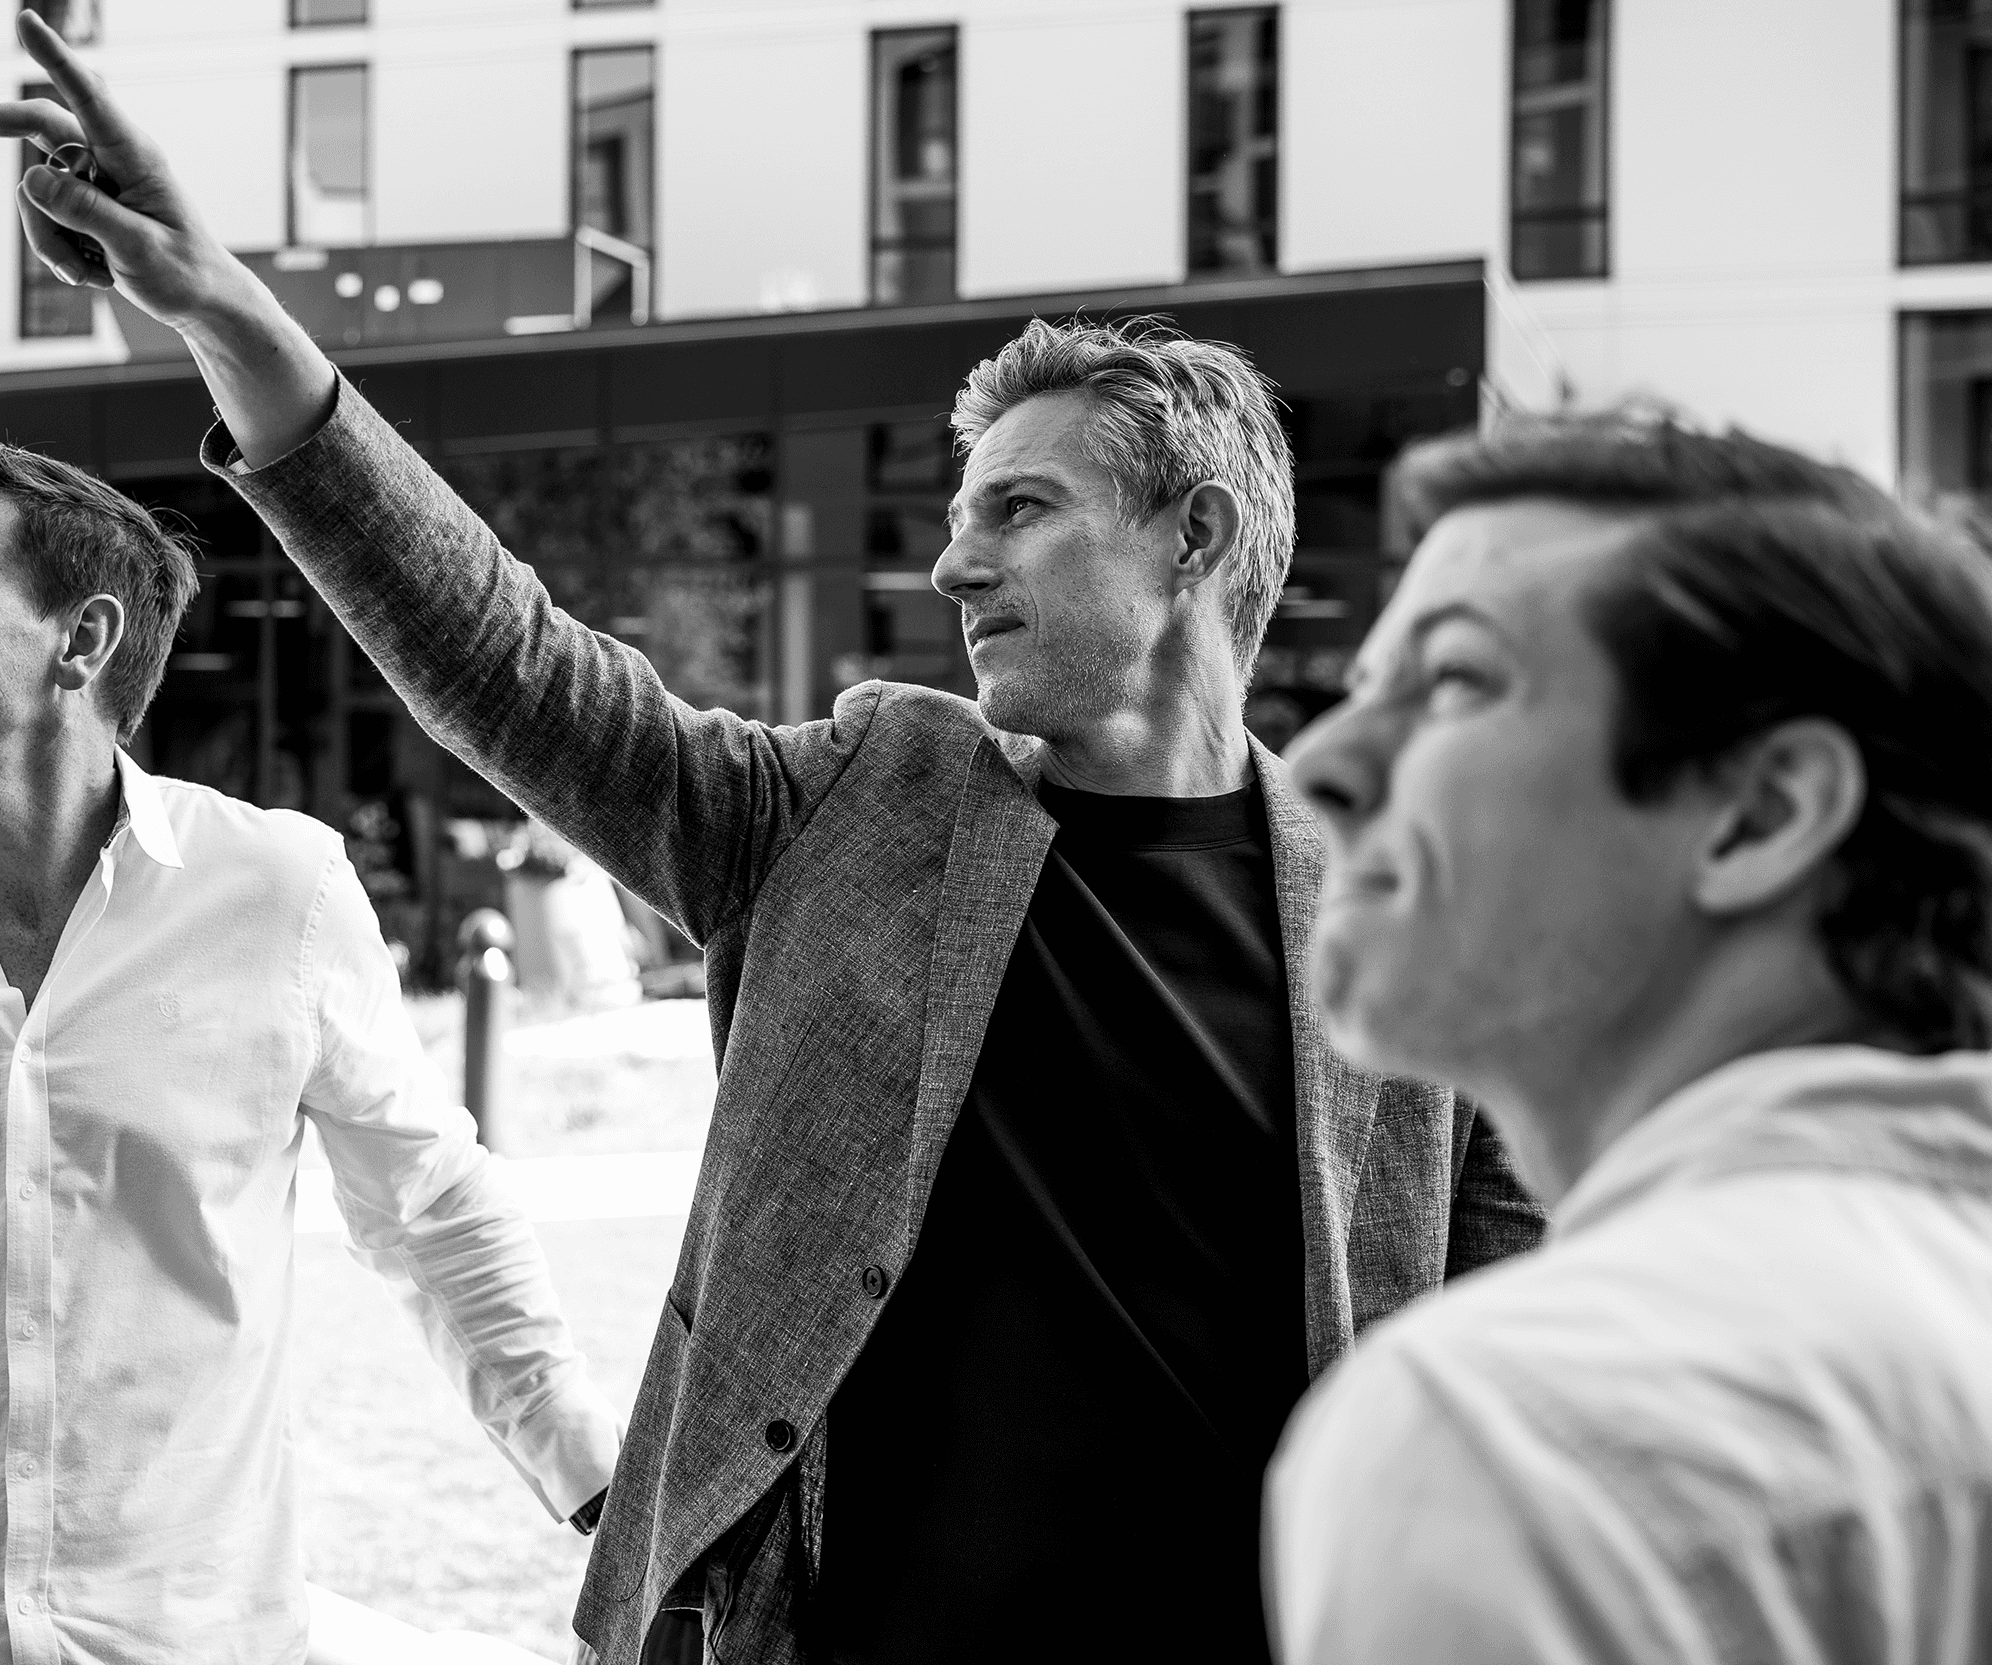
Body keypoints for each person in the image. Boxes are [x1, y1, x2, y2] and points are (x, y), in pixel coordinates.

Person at [0, 19, 1542, 1661]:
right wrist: (223, 306)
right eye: (952, 522)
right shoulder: (856, 798)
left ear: (1199, 536)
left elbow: (1510, 1392)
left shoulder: (1417, 927)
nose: (952, 569)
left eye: (1018, 510)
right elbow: (506, 657)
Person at [1270, 410, 1992, 1663]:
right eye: (1356, 689)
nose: (1322, 759)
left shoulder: (1508, 1439)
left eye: (1453, 680)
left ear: (1756, 813)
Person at [0, 442, 621, 1665]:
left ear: (79, 643)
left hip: (183, 1634)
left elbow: (431, 1208)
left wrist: (605, 1488)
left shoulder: (276, 893)